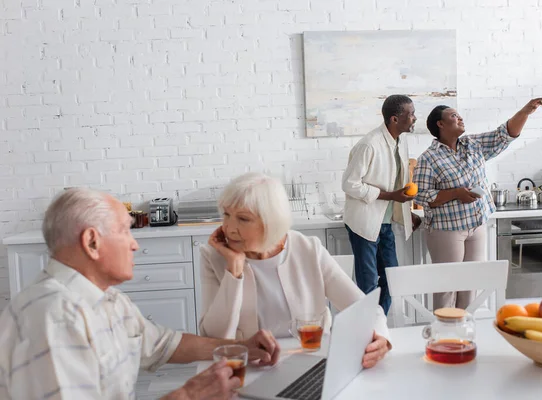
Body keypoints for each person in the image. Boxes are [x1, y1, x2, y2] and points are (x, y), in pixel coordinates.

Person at [0, 188, 280, 400]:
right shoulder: (52, 316)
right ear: (92, 242)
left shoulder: (109, 301)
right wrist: (188, 395)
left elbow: (166, 345)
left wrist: (243, 347)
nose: (134, 244)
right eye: (126, 231)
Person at [199, 172, 391, 369]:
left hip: (312, 364)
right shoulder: (213, 257)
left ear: (270, 222)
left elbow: (365, 309)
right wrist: (234, 270)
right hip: (247, 368)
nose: (229, 228)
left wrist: (381, 338)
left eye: (243, 219)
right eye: (226, 215)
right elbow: (214, 338)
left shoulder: (308, 249)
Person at [413, 98, 542, 310]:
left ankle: (465, 333)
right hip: (446, 230)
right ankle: (443, 335)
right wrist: (456, 193)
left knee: (471, 283)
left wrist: (525, 111)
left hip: (477, 225)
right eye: (453, 116)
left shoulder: (473, 144)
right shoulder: (428, 158)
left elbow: (504, 135)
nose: (460, 118)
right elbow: (421, 195)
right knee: (447, 286)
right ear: (440, 124)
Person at [341, 94, 422, 315]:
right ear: (395, 119)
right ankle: (366, 330)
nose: (415, 118)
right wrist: (389, 196)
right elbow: (349, 184)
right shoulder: (369, 145)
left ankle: (376, 321)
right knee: (367, 284)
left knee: (391, 278)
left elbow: (397, 182)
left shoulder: (399, 141)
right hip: (364, 222)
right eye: (411, 114)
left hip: (385, 222)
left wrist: (408, 212)